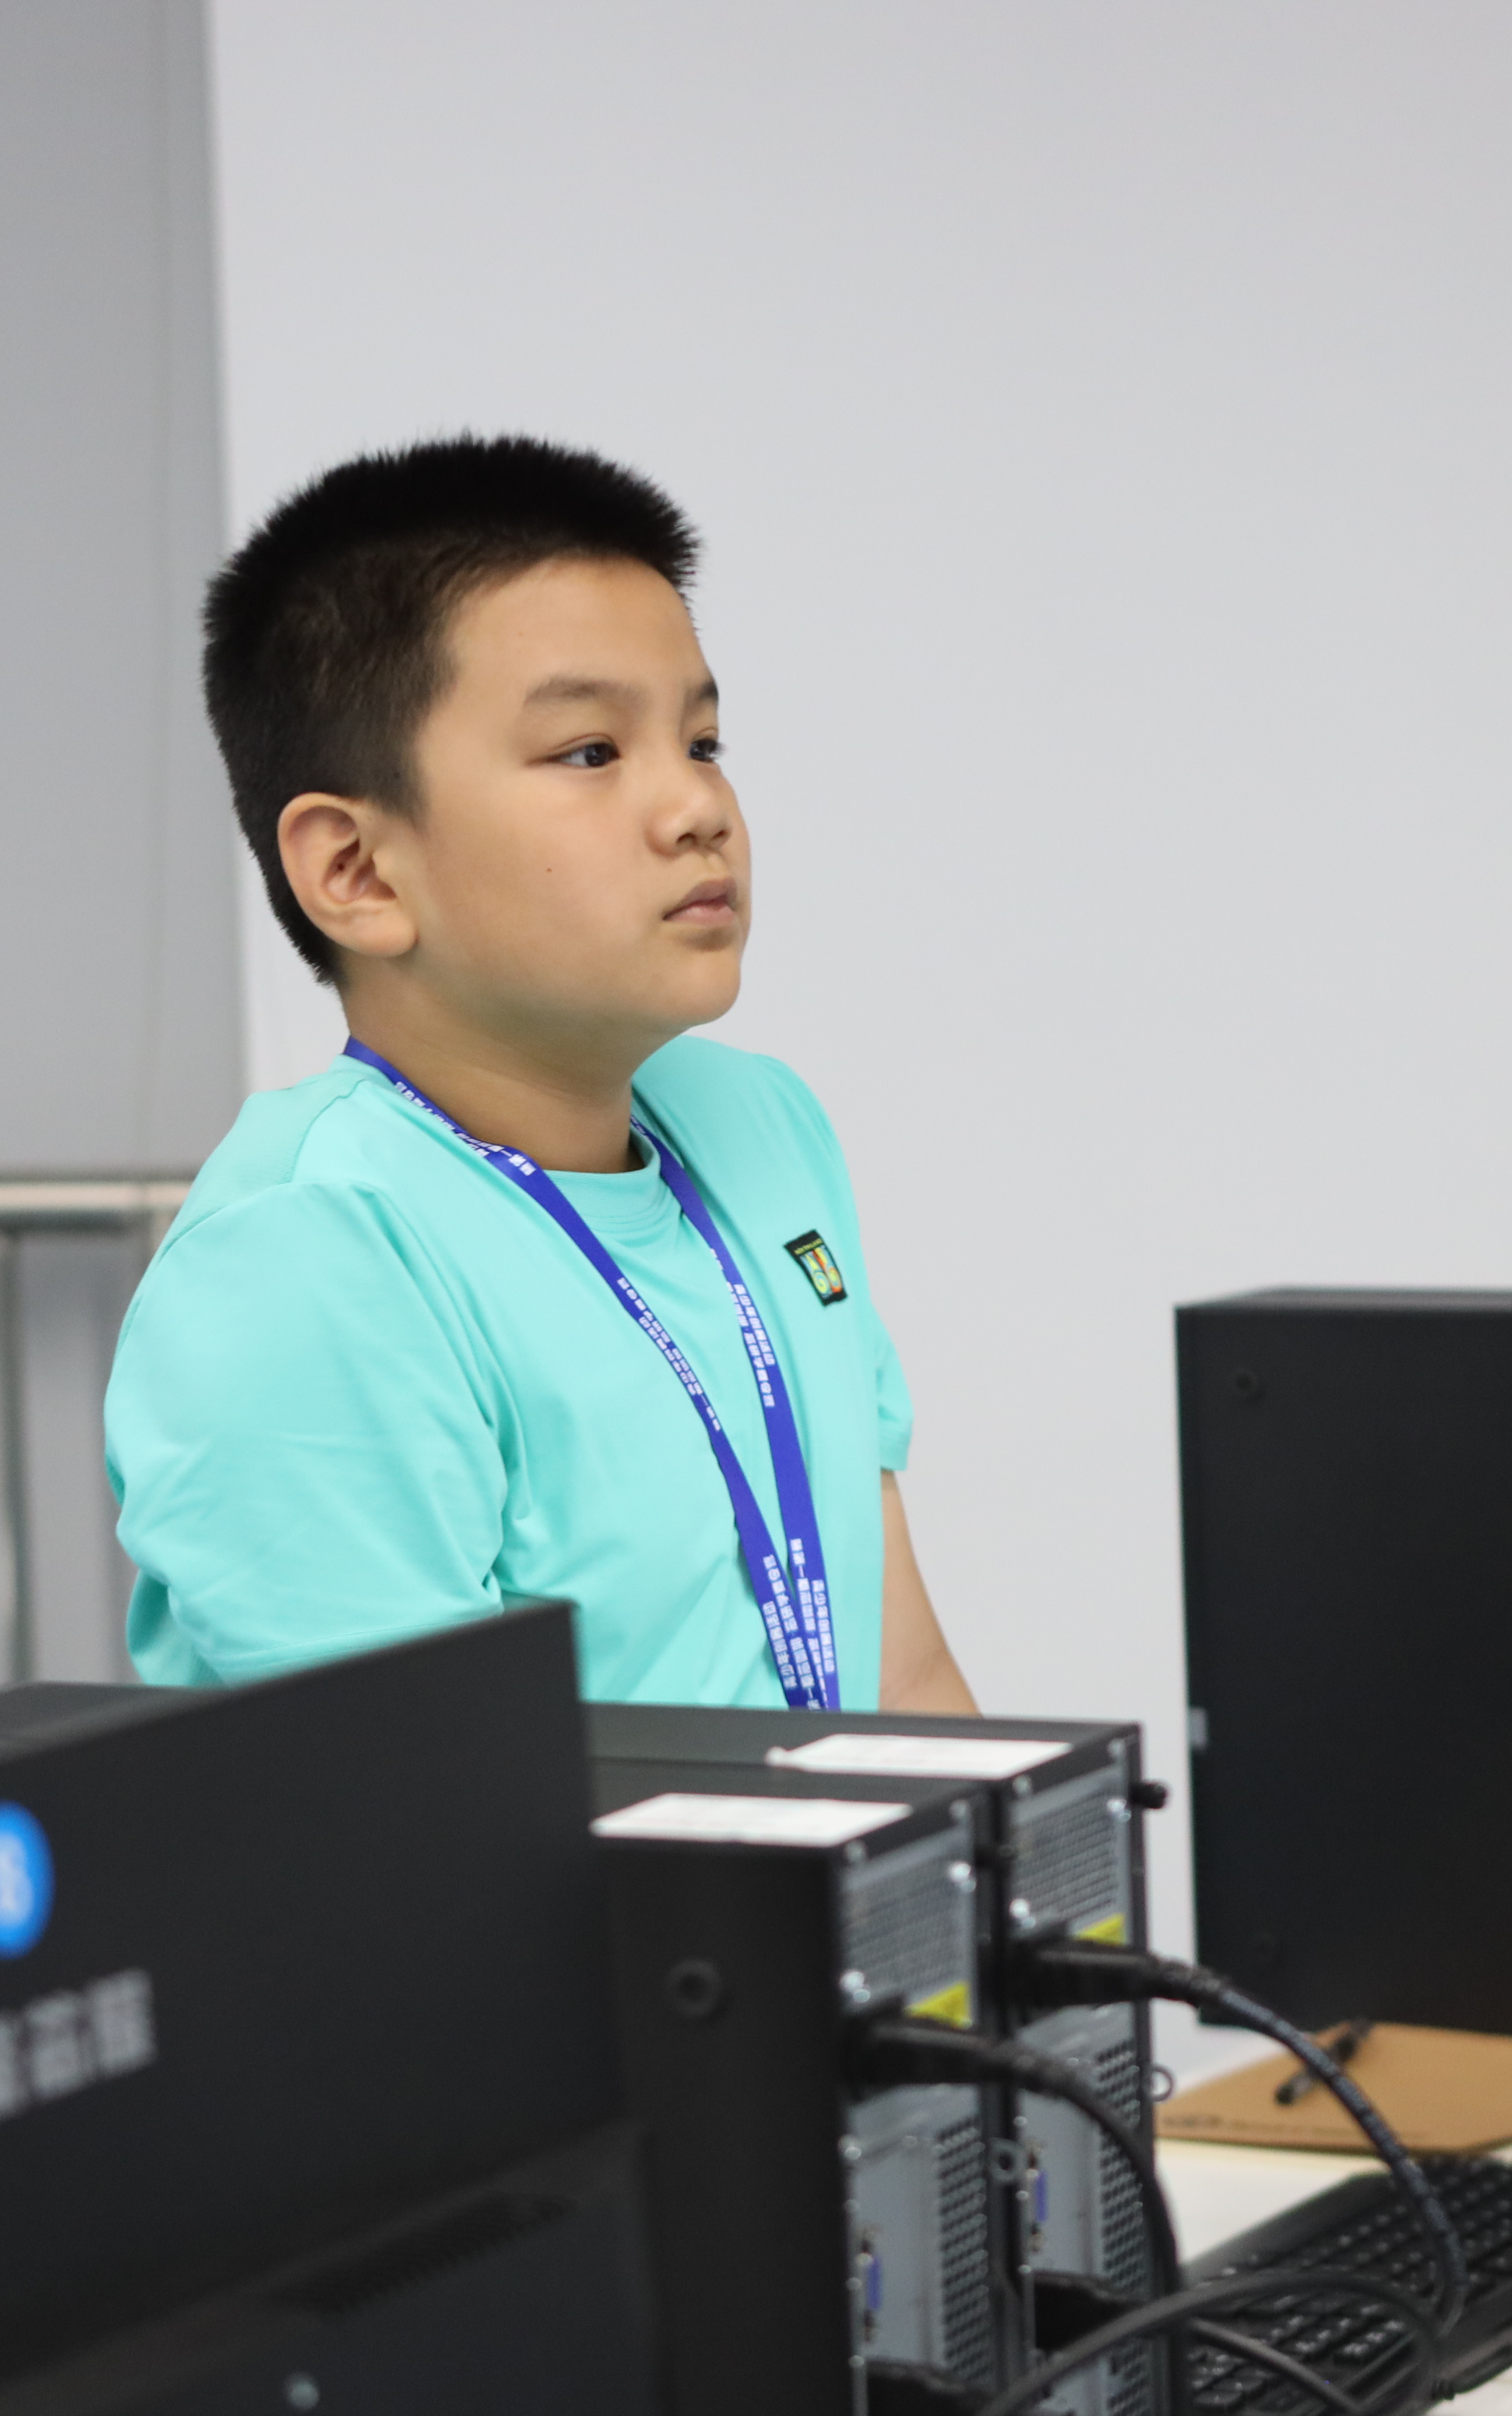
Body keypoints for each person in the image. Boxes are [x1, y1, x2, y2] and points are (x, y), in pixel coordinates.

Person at [105, 435, 973, 1713]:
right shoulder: (309, 1254)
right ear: (356, 870)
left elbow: (908, 1675)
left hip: (847, 1854)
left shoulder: (762, 1123)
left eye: (704, 739)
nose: (697, 808)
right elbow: (431, 1805)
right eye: (590, 752)